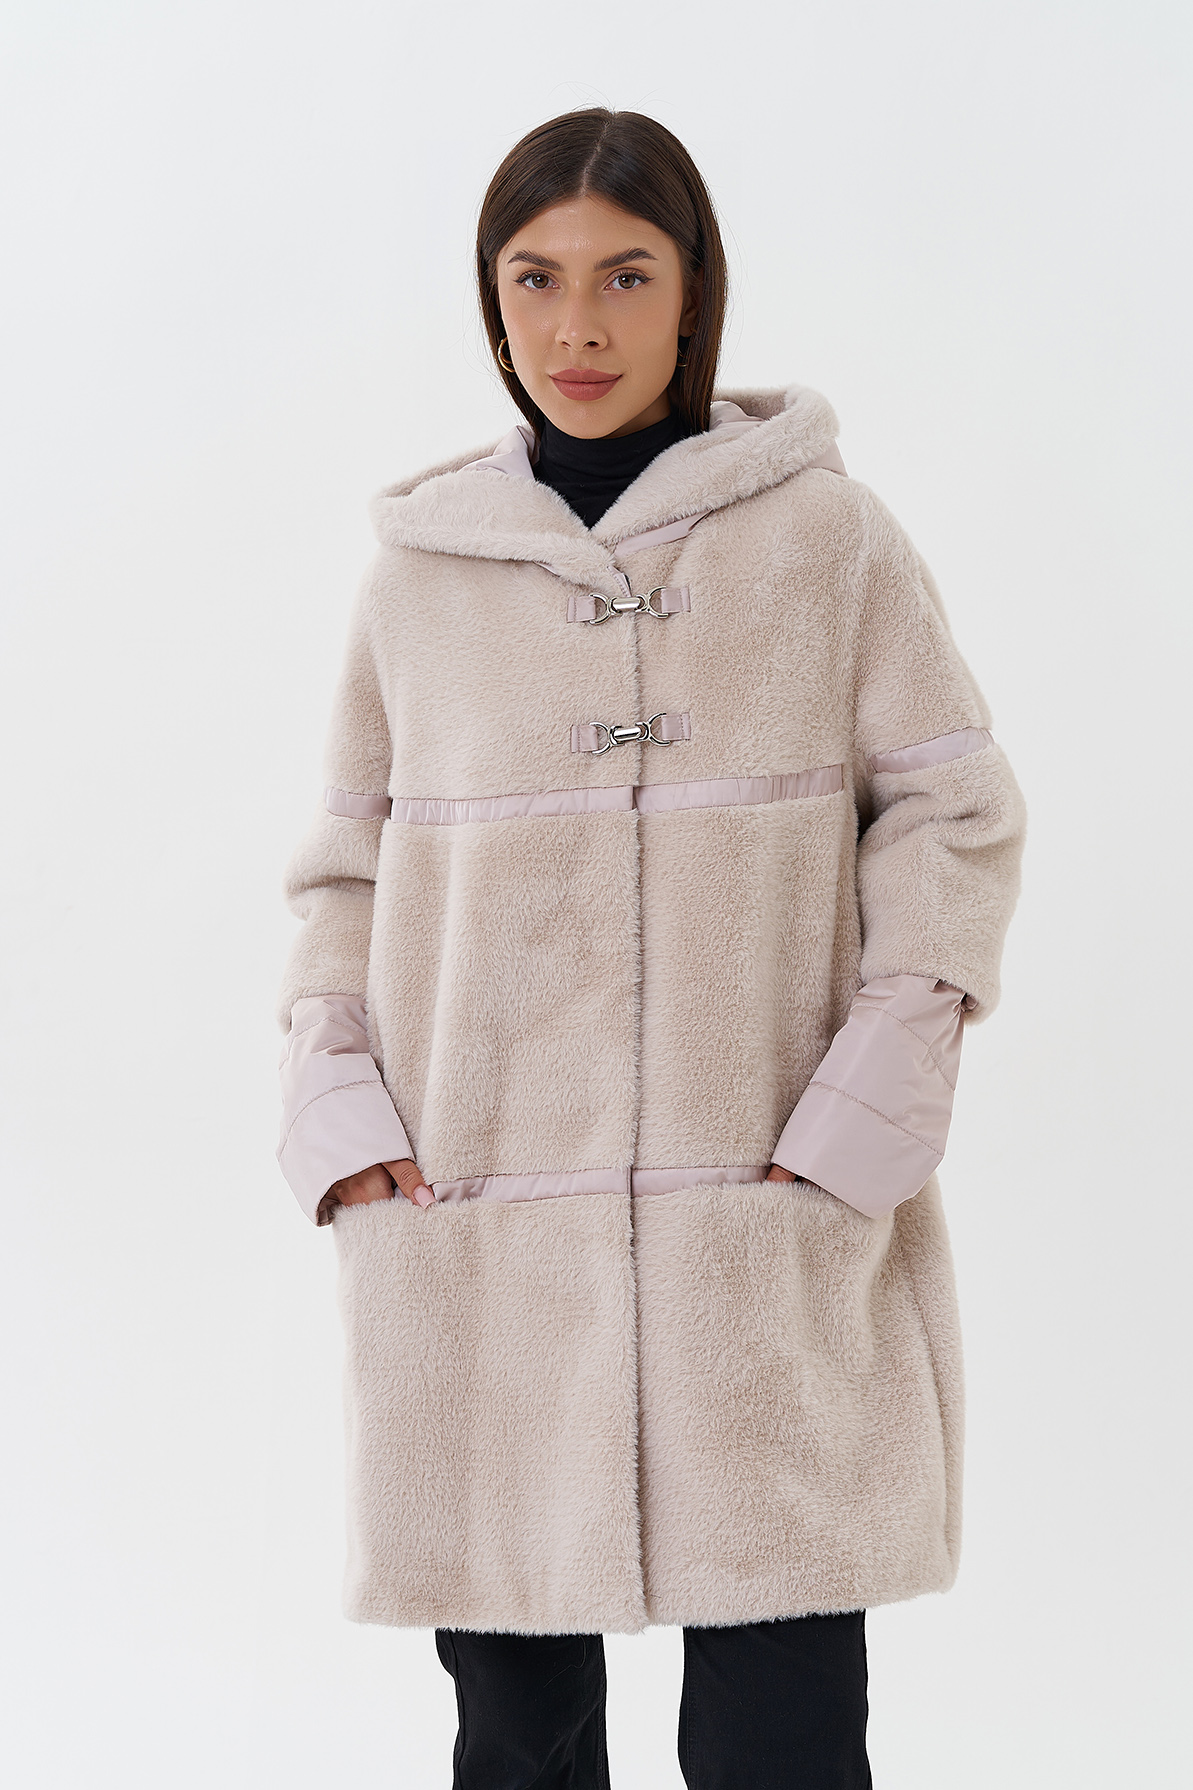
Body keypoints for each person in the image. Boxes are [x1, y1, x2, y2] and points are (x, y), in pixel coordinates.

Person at [276, 108, 1026, 1790]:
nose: (577, 326)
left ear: (694, 294)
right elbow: (340, 867)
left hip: (761, 1217)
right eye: (532, 279)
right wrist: (341, 1122)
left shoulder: (828, 542)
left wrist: (867, 1110)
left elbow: (956, 814)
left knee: (781, 1728)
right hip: (477, 1223)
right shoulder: (417, 580)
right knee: (515, 1731)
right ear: (491, 302)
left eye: (625, 275)